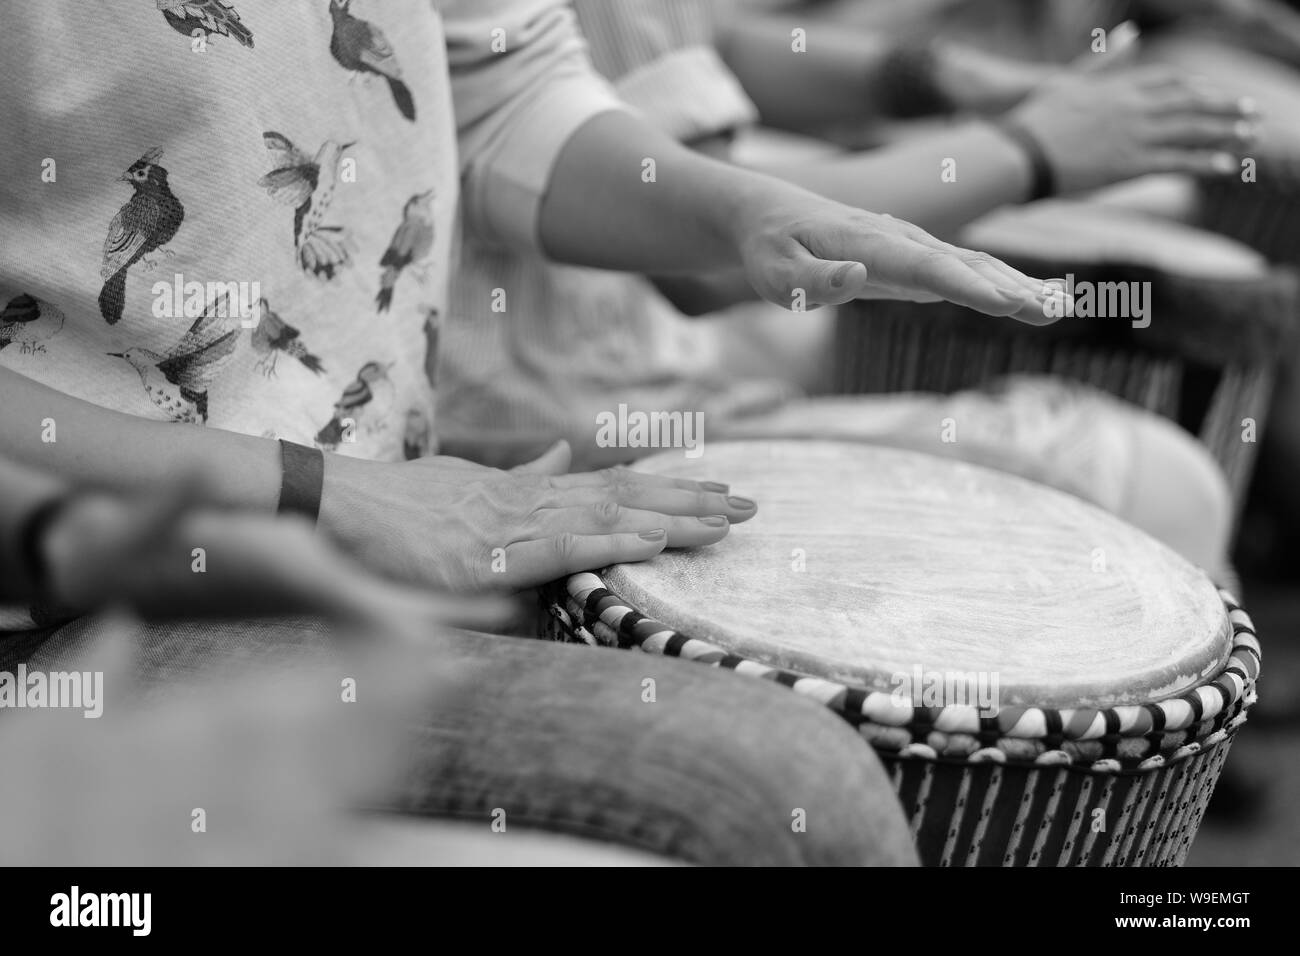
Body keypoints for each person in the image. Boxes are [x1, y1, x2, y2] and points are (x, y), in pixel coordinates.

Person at [2, 0, 1045, 863]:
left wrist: (740, 211)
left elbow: (501, 80)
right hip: (70, 595)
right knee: (791, 794)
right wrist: (318, 491)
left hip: (385, 491)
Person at [436, 0, 1244, 578]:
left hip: (588, 332)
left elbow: (696, 46)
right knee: (1164, 486)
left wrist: (936, 79)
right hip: (541, 402)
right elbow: (702, 267)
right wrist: (1026, 153)